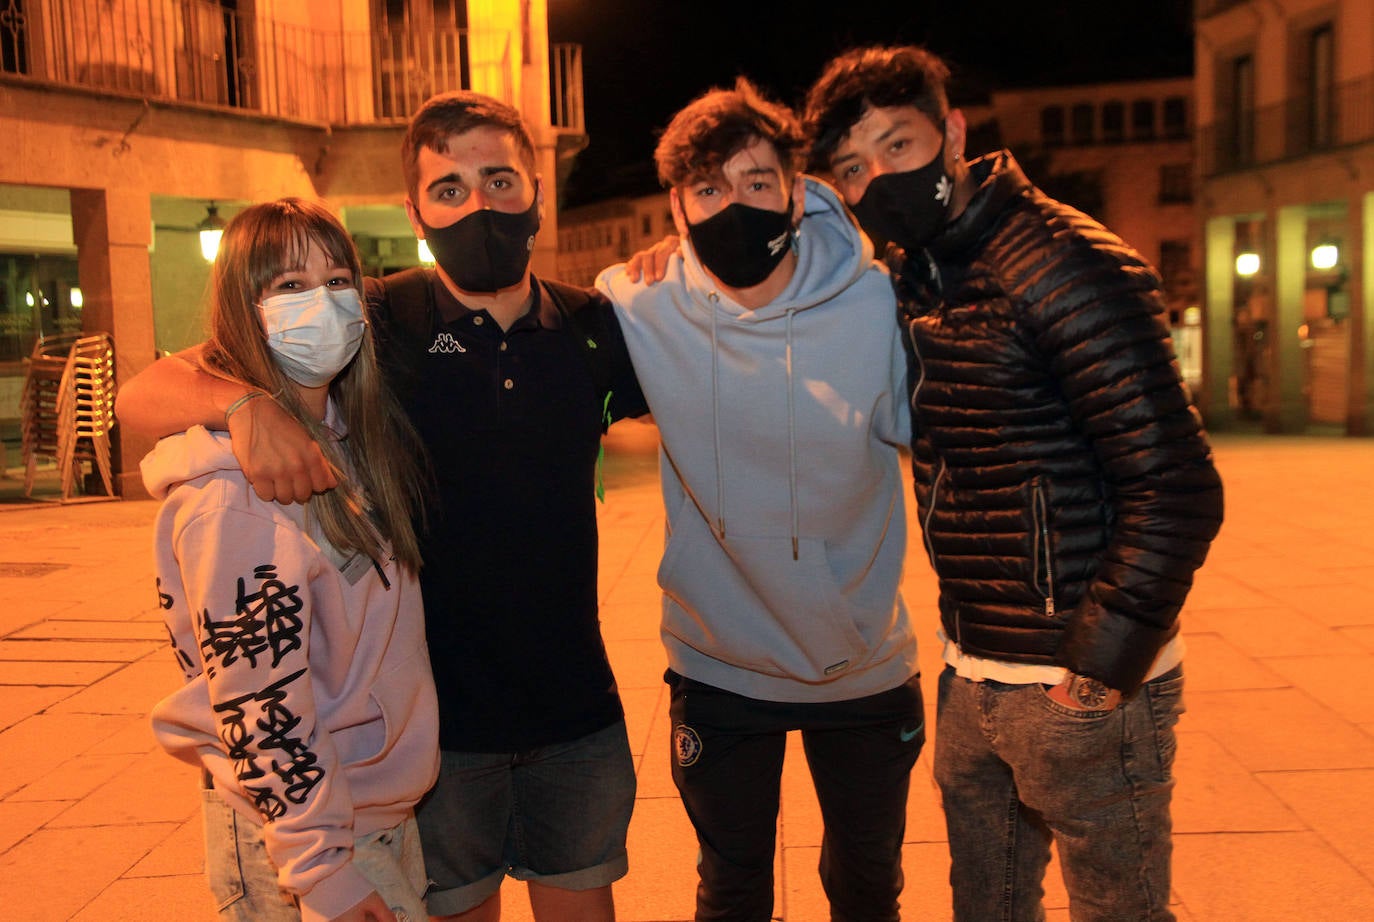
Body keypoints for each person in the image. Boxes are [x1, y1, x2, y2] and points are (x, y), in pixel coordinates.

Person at [117, 92, 647, 922]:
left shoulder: (593, 327)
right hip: (439, 736)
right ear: (416, 209)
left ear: (537, 190)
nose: (478, 204)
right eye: (450, 188)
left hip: (575, 714)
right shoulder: (376, 317)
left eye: (500, 180)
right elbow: (144, 393)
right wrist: (243, 409)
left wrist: (669, 270)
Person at [801, 45, 1225, 922]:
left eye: (898, 145)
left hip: (1083, 682)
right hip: (975, 670)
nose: (878, 178)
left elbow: (1175, 485)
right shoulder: (924, 272)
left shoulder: (1065, 260)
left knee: (1121, 910)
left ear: (953, 134)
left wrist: (1097, 677)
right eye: (853, 168)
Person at [596, 78, 922, 922]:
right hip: (720, 667)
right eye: (708, 190)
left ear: (794, 188)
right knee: (732, 892)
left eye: (756, 183)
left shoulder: (875, 299)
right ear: (675, 208)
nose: (734, 207)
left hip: (862, 665)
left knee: (867, 889)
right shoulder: (639, 304)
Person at [143, 198, 438, 922]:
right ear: (245, 308)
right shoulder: (232, 494)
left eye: (339, 279)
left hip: (369, 815)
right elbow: (257, 696)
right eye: (289, 286)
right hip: (315, 843)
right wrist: (322, 868)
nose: (324, 303)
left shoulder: (345, 439)